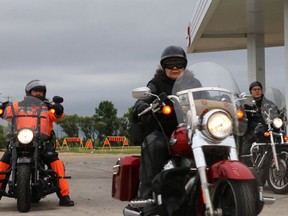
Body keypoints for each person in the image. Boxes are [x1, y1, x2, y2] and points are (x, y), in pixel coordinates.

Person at [128, 45, 202, 216]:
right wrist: (143, 105)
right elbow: (145, 98)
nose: (175, 68)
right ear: (163, 66)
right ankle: (146, 198)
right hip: (165, 131)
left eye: (179, 63)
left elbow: (205, 98)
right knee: (154, 143)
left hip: (192, 132)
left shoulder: (194, 83)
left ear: (185, 65)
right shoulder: (156, 83)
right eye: (170, 64)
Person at [0, 80, 74, 206]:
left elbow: (57, 116)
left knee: (56, 163)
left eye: (41, 91)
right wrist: (2, 108)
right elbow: (5, 114)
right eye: (36, 91)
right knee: (3, 163)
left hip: (42, 141)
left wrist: (58, 109)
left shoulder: (47, 107)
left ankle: (64, 195)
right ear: (29, 92)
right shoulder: (18, 106)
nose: (38, 93)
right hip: (19, 139)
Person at [240, 81, 278, 166]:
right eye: (254, 89)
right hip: (251, 133)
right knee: (243, 153)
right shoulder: (246, 105)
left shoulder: (269, 104)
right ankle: (245, 167)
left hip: (266, 132)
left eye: (259, 89)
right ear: (251, 91)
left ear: (262, 91)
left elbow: (276, 114)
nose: (257, 91)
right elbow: (242, 118)